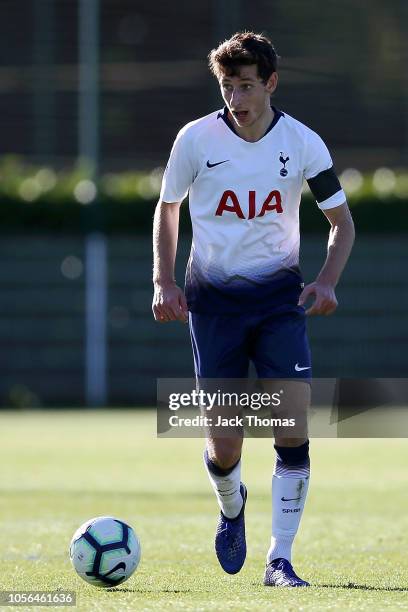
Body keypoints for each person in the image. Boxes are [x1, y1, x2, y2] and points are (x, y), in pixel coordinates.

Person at [152, 31, 355, 587]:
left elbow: (341, 224)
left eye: (245, 85)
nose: (235, 97)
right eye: (227, 86)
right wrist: (164, 282)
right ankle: (231, 503)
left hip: (277, 305)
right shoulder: (195, 139)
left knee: (290, 425)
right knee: (225, 443)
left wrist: (328, 280)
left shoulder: (304, 143)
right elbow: (168, 209)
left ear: (270, 83)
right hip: (212, 305)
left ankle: (280, 559)